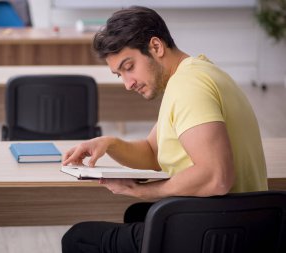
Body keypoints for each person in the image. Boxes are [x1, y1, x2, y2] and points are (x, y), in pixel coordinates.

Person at [61, 6, 268, 253]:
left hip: (217, 229)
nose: (128, 84)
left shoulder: (188, 87)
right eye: (119, 75)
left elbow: (217, 177)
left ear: (156, 47)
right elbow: (152, 152)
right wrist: (109, 144)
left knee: (79, 239)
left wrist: (145, 191)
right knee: (139, 214)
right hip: (245, 223)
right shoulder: (197, 73)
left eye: (129, 67)